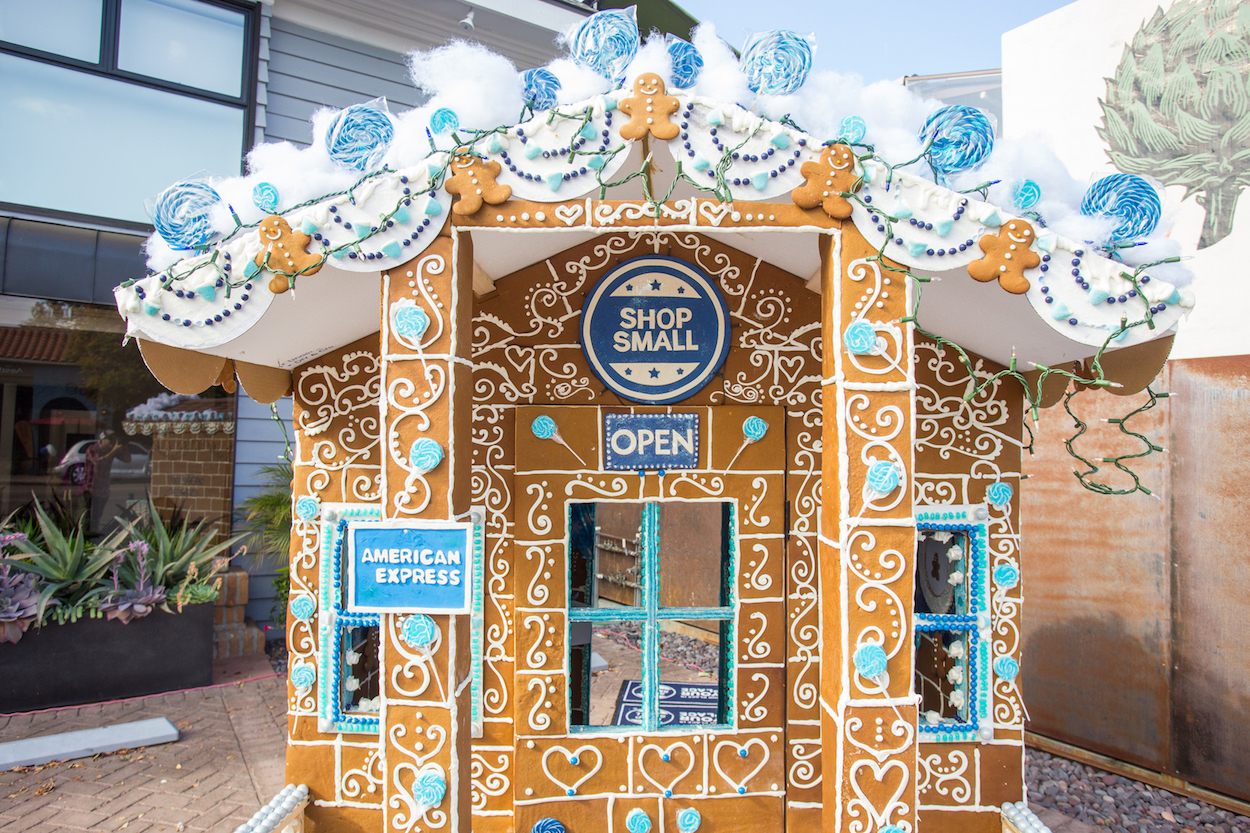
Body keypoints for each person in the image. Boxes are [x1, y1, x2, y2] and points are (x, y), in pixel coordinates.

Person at [80, 433, 129, 533]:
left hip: (103, 491)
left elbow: (127, 460)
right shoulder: (92, 449)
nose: (112, 442)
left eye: (113, 440)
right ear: (102, 439)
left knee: (96, 520)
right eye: (110, 439)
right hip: (91, 490)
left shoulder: (110, 450)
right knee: (88, 520)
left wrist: (124, 447)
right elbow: (98, 463)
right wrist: (114, 450)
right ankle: (86, 539)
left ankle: (93, 537)